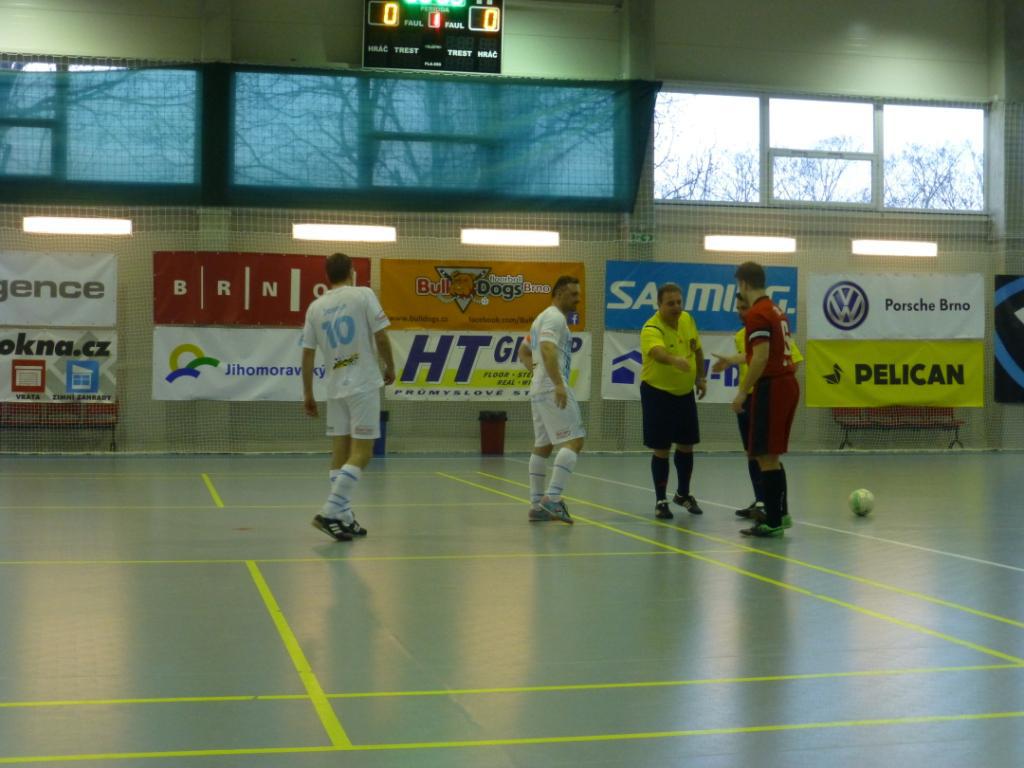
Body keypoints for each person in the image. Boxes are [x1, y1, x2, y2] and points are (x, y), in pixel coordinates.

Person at [302, 252, 395, 542]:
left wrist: (307, 392)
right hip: (362, 383)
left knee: (339, 454)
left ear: (326, 276)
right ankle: (329, 512)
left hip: (334, 388)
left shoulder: (315, 307)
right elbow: (381, 336)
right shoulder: (363, 294)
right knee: (363, 453)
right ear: (352, 272)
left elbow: (307, 353)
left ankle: (344, 517)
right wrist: (390, 366)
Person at [713, 294, 802, 522]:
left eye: (744, 308)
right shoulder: (742, 334)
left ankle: (776, 511)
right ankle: (762, 500)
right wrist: (731, 360)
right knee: (753, 453)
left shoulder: (770, 327)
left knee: (768, 454)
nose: (740, 312)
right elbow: (752, 356)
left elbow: (791, 360)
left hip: (764, 394)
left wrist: (764, 384)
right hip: (750, 398)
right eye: (738, 308)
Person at [730, 261, 800, 538]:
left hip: (772, 387)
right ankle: (780, 514)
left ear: (744, 284)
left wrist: (742, 392)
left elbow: (760, 358)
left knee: (764, 456)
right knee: (772, 454)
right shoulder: (775, 310)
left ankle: (772, 521)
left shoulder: (757, 314)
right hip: (786, 384)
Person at [517, 275, 584, 524]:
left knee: (543, 446)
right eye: (573, 294)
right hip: (550, 388)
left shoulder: (541, 317)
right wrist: (557, 384)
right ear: (559, 293)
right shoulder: (555, 317)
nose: (578, 299)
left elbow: (523, 351)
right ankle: (553, 499)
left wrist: (537, 373)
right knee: (574, 440)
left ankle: (536, 505)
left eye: (578, 295)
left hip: (538, 388)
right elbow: (546, 348)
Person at [639, 282, 707, 520]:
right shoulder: (651, 328)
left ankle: (683, 494)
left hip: (684, 393)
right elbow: (657, 352)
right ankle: (661, 500)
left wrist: (700, 377)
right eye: (671, 303)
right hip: (657, 393)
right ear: (659, 305)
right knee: (661, 448)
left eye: (679, 302)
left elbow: (697, 349)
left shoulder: (687, 319)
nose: (677, 307)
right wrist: (674, 360)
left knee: (687, 444)